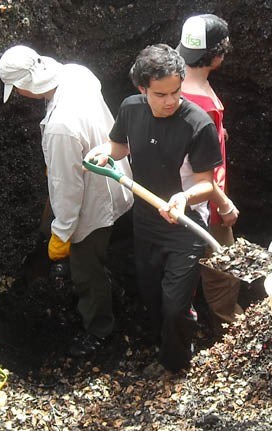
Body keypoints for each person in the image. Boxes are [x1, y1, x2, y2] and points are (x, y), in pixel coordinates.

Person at [87, 44, 223, 373]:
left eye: (176, 91)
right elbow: (119, 146)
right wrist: (105, 152)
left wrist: (184, 198)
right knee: (151, 294)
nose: (170, 100)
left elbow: (207, 183)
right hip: (145, 220)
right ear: (142, 88)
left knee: (175, 303)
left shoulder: (197, 123)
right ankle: (162, 343)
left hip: (185, 225)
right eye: (160, 94)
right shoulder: (131, 108)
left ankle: (177, 362)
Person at [0, 45, 133, 357]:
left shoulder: (60, 129)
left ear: (24, 86)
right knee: (106, 247)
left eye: (16, 89)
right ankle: (114, 285)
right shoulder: (76, 73)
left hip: (93, 204)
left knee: (87, 271)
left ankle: (100, 331)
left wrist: (61, 234)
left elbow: (67, 190)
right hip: (118, 178)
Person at [177, 13, 243, 332]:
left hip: (177, 193)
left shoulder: (174, 83)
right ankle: (230, 328)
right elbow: (205, 174)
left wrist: (218, 133)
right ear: (216, 56)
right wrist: (223, 206)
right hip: (202, 202)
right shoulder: (203, 106)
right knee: (224, 268)